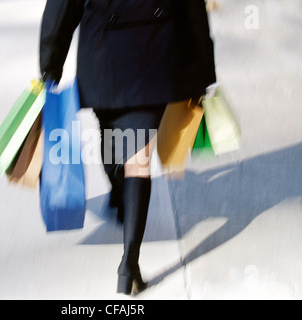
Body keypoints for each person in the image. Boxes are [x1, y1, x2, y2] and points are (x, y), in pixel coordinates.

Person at [40, 0, 216, 295]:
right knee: (137, 157)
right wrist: (204, 67)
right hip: (153, 55)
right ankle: (129, 263)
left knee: (113, 135)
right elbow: (192, 8)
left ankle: (120, 195)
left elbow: (61, 8)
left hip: (103, 55)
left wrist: (50, 64)